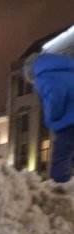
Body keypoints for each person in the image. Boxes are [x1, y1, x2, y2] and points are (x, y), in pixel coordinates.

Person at [27, 52, 74, 183]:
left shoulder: (45, 77)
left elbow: (55, 98)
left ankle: (59, 193)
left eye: (31, 81)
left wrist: (52, 116)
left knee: (61, 159)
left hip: (69, 125)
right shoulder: (66, 71)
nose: (33, 84)